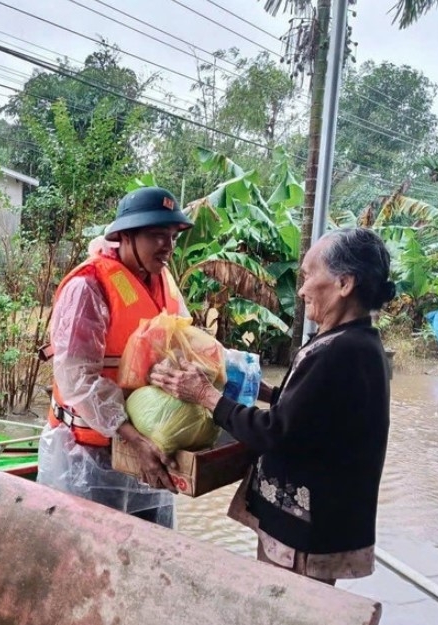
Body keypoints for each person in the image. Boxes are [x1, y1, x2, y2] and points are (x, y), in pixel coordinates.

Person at [151, 227, 396, 583]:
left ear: (344, 284)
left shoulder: (342, 351)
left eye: (310, 276)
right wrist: (256, 388)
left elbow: (275, 432)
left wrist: (206, 396)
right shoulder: (352, 342)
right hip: (310, 524)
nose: (301, 290)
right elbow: (307, 414)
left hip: (305, 537)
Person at [36, 186, 194, 528]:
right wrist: (133, 439)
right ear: (124, 236)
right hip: (90, 455)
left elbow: (187, 344)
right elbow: (78, 379)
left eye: (172, 236)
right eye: (157, 236)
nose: (168, 246)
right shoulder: (88, 288)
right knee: (92, 557)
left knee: (152, 553)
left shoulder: (162, 281)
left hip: (149, 444)